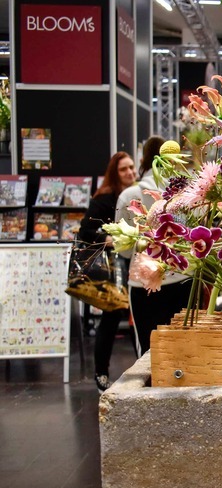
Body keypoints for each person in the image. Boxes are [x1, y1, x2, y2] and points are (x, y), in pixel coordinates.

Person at [116, 136, 192, 357]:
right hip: (183, 277)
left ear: (143, 160)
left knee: (149, 354)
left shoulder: (129, 196)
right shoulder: (185, 194)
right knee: (184, 350)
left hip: (143, 283)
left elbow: (124, 249)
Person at [78, 151, 137, 392]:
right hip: (113, 268)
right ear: (115, 172)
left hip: (135, 265)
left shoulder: (136, 194)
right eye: (123, 169)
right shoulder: (103, 198)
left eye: (131, 167)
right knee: (110, 320)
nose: (130, 172)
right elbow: (85, 231)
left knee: (136, 319)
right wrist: (108, 239)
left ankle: (145, 370)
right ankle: (101, 373)